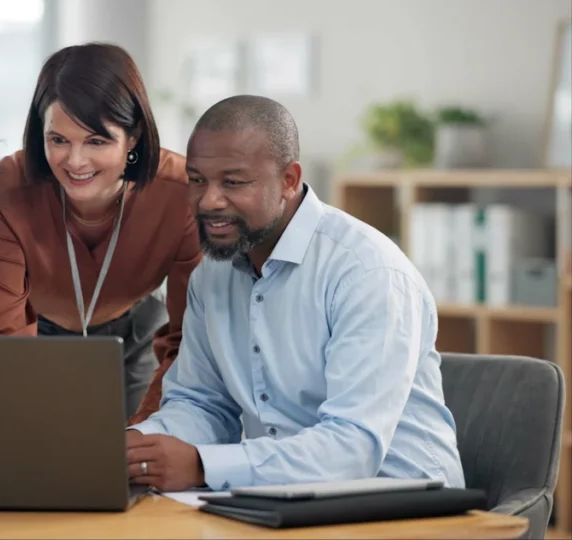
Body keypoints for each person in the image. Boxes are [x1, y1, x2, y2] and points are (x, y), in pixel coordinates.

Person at [125, 95, 465, 492]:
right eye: (197, 180)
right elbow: (203, 405)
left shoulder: (368, 273)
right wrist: (136, 447)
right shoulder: (213, 275)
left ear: (288, 180)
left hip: (406, 506)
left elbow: (352, 448)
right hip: (282, 499)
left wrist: (202, 466)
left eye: (233, 182)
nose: (208, 201)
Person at [0, 43, 202, 424]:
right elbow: (4, 339)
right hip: (36, 333)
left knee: (131, 458)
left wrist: (143, 438)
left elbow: (186, 341)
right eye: (58, 140)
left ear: (133, 138)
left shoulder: (181, 193)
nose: (75, 162)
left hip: (138, 330)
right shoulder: (5, 190)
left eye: (96, 141)